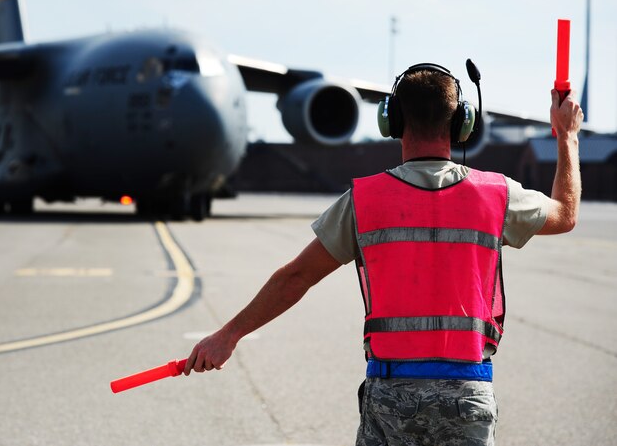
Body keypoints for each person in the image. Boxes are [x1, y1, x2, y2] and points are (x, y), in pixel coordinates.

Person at [183, 64, 583, 446]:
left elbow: (295, 277)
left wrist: (227, 336)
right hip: (467, 394)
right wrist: (566, 136)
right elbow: (565, 213)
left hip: (391, 397)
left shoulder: (364, 200)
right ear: (462, 122)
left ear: (391, 121)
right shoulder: (497, 195)